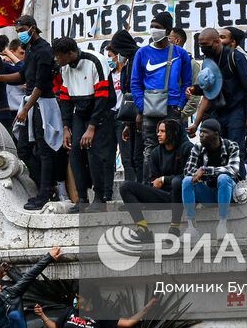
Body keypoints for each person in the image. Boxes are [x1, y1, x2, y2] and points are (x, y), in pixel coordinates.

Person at [0, 15, 63, 211]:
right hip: (30, 103)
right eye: (18, 30)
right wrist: (1, 78)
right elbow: (23, 75)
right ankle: (43, 185)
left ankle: (47, 191)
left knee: (44, 148)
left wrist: (26, 109)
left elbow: (40, 83)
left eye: (22, 30)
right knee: (24, 149)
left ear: (32, 28)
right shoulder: (30, 50)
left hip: (41, 104)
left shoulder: (45, 50)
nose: (20, 33)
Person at [52, 36, 118, 212]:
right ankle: (82, 198)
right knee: (75, 153)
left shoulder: (95, 60)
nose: (57, 60)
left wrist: (92, 127)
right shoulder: (65, 68)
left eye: (59, 56)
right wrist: (66, 127)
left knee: (96, 154)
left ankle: (100, 197)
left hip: (101, 111)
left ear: (71, 53)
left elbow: (103, 96)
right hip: (80, 112)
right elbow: (65, 99)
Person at [131, 11, 193, 166]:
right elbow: (135, 83)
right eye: (151, 26)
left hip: (172, 108)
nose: (153, 30)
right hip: (150, 109)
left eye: (157, 27)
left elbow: (187, 83)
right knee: (150, 149)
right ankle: (149, 186)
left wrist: (179, 106)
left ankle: (169, 185)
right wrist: (142, 106)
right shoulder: (142, 53)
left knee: (174, 148)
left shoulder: (180, 53)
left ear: (167, 30)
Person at [119, 116, 192, 236]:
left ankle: (174, 227)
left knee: (177, 182)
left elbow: (190, 176)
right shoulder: (156, 152)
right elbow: (153, 180)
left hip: (182, 197)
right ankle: (143, 229)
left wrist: (164, 179)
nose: (158, 134)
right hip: (163, 196)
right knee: (125, 187)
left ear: (173, 133)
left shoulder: (187, 148)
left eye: (162, 131)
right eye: (158, 131)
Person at [194, 27, 247, 153]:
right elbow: (209, 88)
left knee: (235, 150)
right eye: (200, 45)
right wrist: (194, 89)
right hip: (217, 111)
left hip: (236, 111)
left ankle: (237, 173)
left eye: (206, 45)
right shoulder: (208, 60)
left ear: (217, 42)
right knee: (216, 150)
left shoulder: (235, 57)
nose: (203, 48)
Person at [182, 119, 242, 238]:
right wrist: (197, 173)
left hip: (229, 193)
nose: (201, 135)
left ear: (216, 134)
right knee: (187, 181)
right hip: (208, 193)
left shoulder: (231, 146)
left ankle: (222, 225)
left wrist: (204, 170)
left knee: (223, 178)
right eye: (200, 132)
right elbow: (187, 171)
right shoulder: (198, 148)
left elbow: (233, 169)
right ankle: (191, 227)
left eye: (205, 132)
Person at [104, 30, 140, 179]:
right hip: (124, 117)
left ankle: (135, 187)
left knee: (133, 157)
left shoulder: (136, 60)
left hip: (135, 115)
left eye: (114, 54)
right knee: (126, 156)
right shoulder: (121, 69)